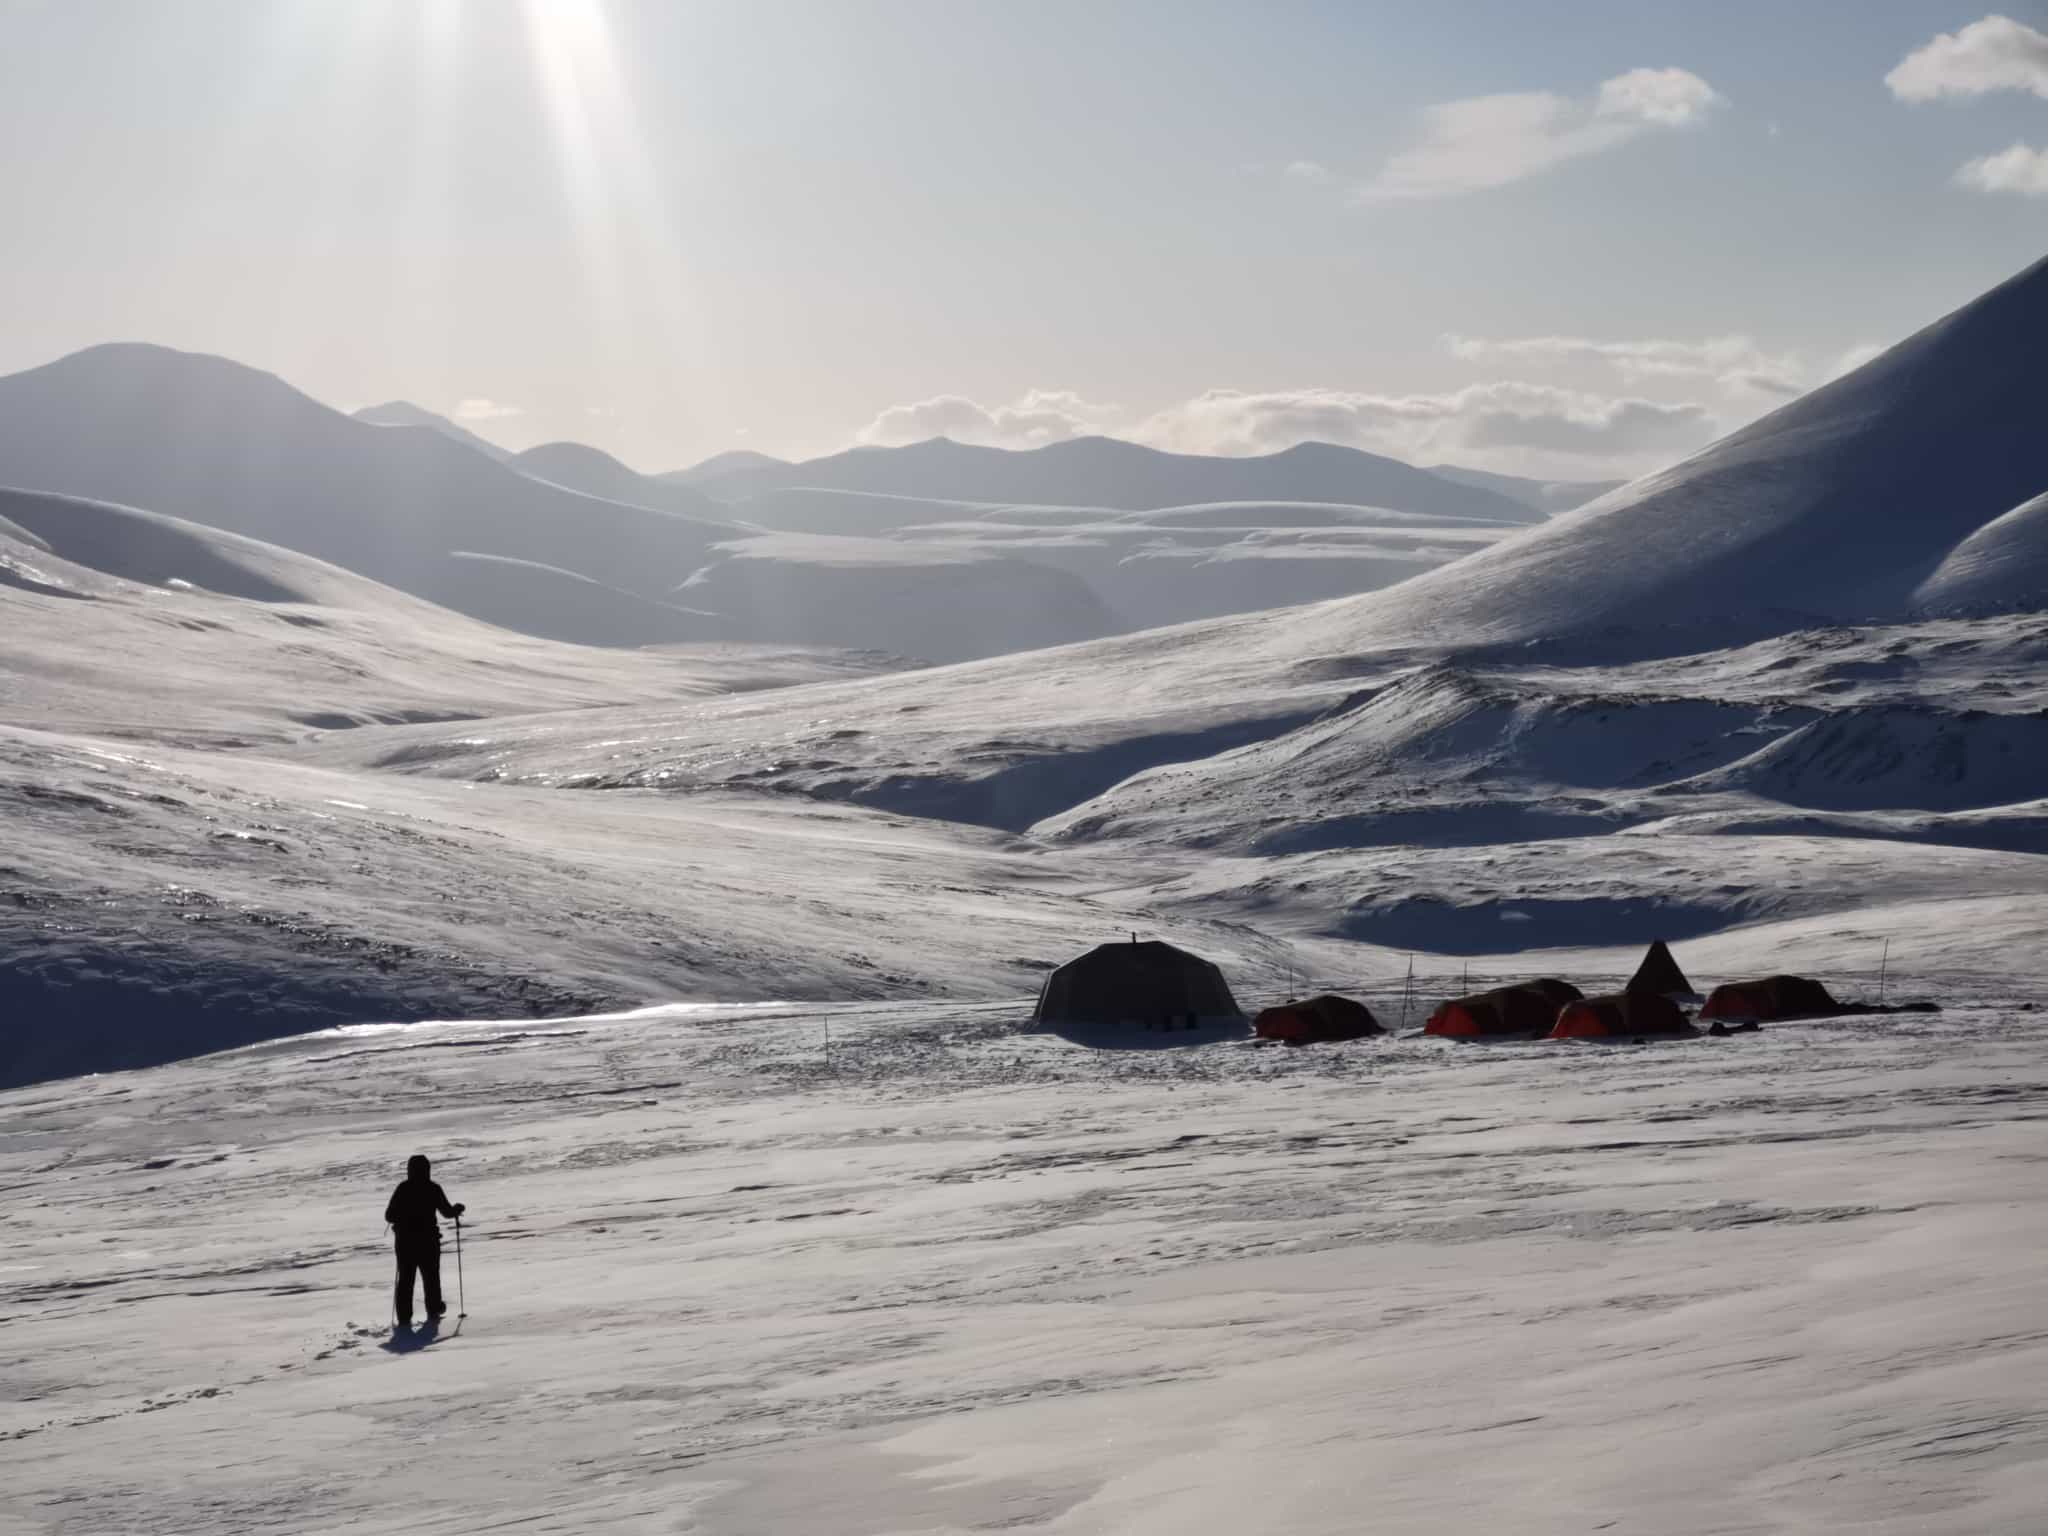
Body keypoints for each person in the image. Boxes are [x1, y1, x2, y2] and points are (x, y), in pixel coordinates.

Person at [384, 1154, 465, 1329]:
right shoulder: (433, 1188)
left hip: (405, 1243)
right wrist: (457, 1209)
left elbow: (389, 1215)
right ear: (427, 1170)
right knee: (431, 1278)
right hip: (429, 1242)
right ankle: (434, 1310)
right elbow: (447, 1212)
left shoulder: (403, 1189)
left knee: (406, 1280)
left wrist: (403, 1219)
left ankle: (404, 1319)